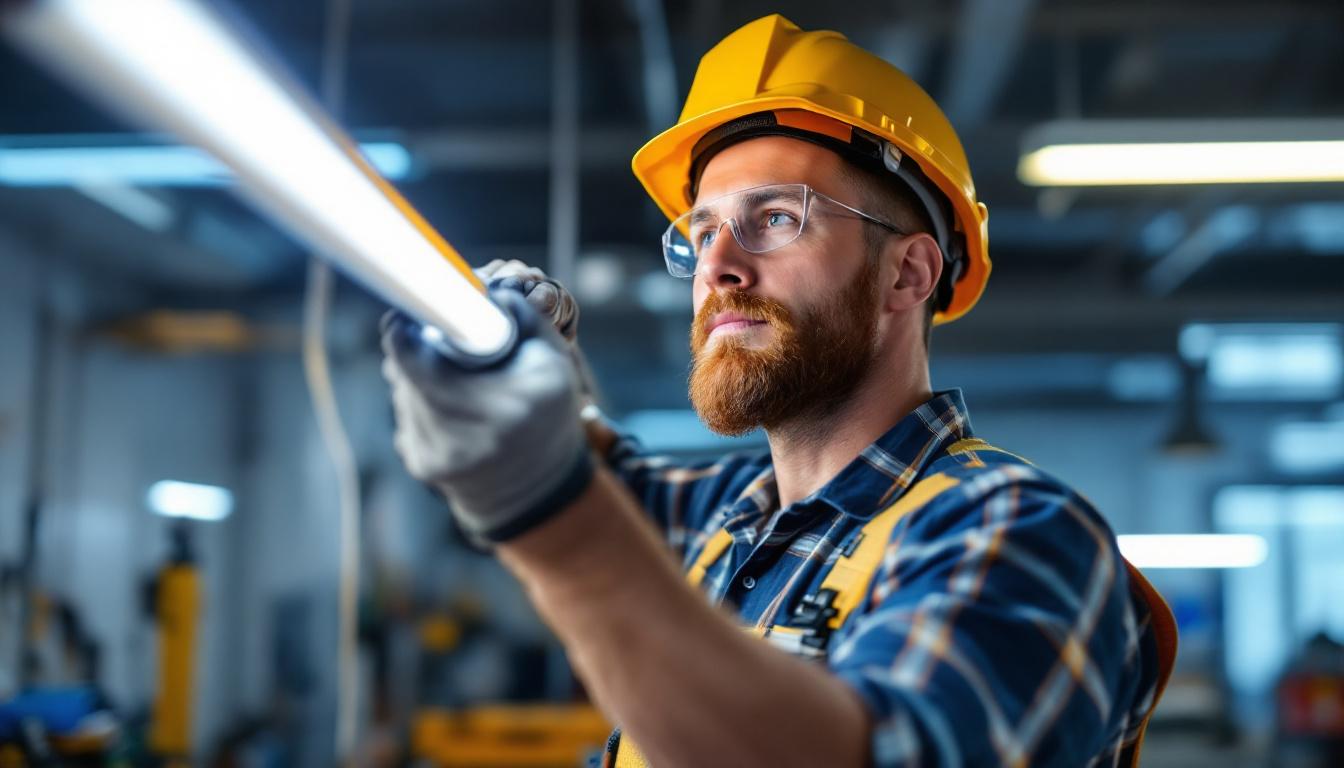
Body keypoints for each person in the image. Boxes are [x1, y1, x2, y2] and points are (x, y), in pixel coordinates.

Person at [380, 14, 1177, 767]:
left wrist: (553, 514)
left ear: (908, 273)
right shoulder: (730, 526)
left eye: (776, 219)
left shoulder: (1016, 533)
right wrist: (521, 378)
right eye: (701, 233)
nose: (718, 266)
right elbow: (610, 485)